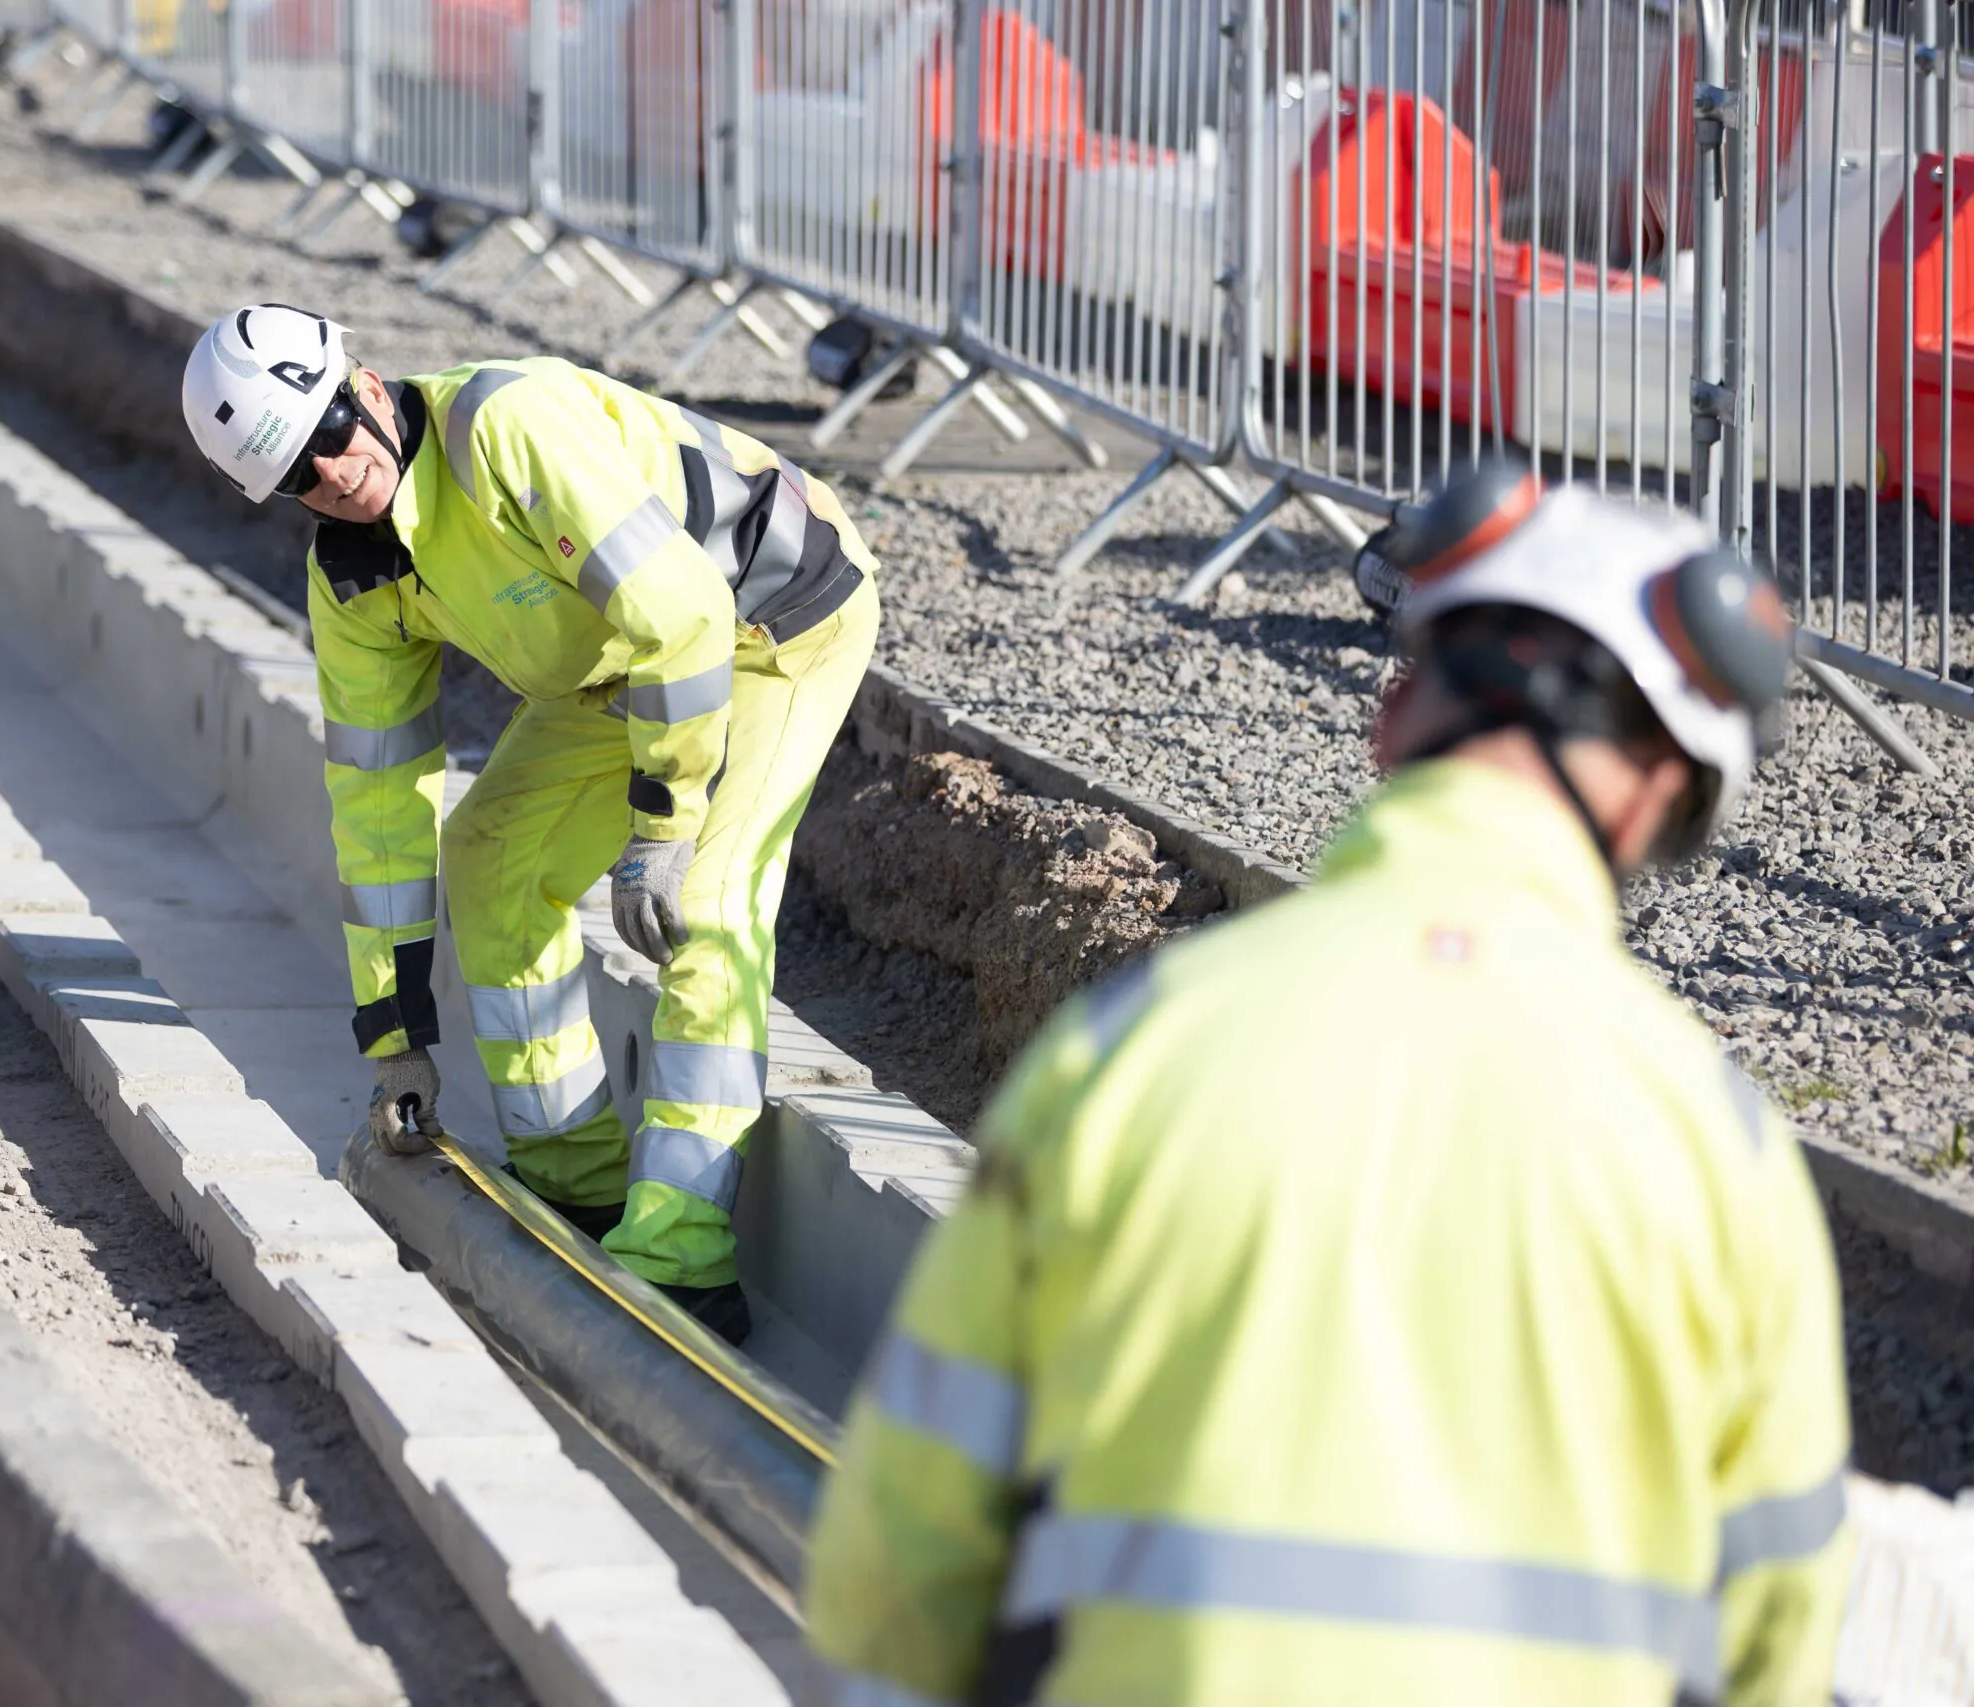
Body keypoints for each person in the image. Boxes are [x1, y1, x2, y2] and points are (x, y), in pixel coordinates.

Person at [805, 465, 1850, 1705]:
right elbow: (1779, 1621)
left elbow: (907, 1540)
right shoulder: (1709, 1140)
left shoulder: (1138, 1043)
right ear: (1664, 805)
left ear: (1392, 721)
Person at [181, 304, 882, 1344]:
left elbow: (685, 614)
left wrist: (662, 825)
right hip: (623, 663)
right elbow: (377, 812)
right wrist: (395, 1038)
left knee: (704, 901)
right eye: (293, 474)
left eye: (326, 432)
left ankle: (681, 1260)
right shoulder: (356, 581)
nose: (328, 474)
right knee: (490, 860)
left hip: (767, 622)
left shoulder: (504, 428)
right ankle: (576, 1190)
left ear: (364, 386)